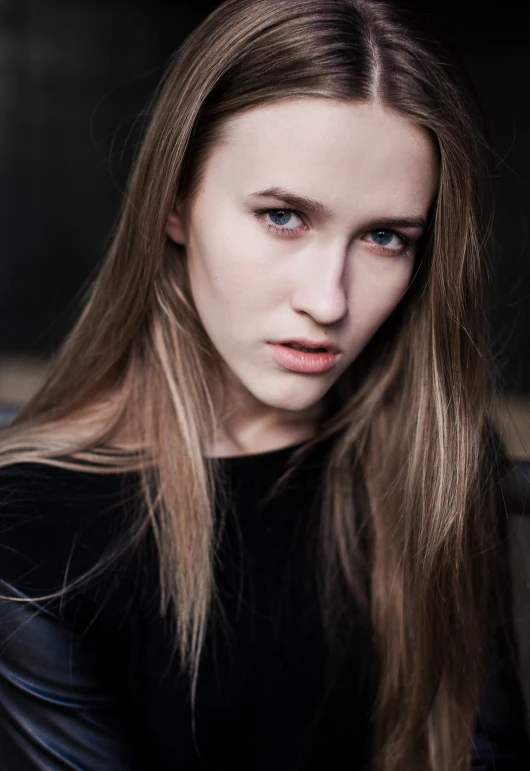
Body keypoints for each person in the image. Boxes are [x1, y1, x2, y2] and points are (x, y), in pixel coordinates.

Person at [0, 0, 528, 769]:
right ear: (176, 202)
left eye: (386, 237)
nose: (329, 299)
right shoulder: (35, 542)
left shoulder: (437, 457)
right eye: (284, 216)